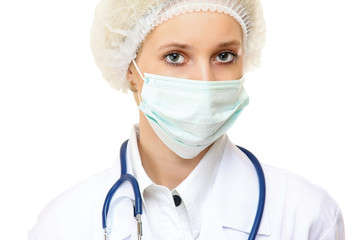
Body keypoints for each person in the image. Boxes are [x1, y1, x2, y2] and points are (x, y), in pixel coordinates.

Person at [28, 0, 345, 239]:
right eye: (175, 57)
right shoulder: (62, 225)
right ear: (130, 71)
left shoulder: (308, 217)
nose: (204, 82)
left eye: (224, 56)